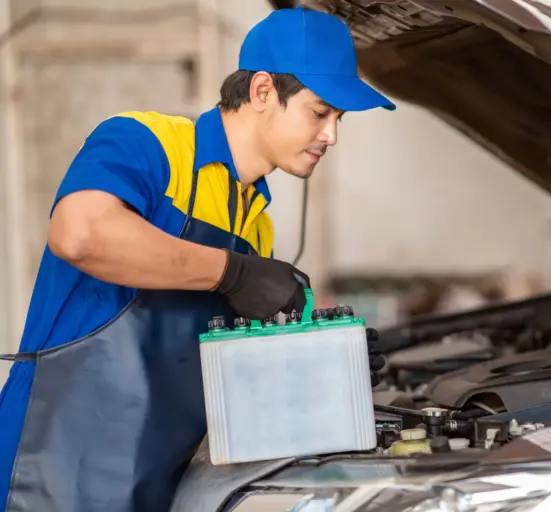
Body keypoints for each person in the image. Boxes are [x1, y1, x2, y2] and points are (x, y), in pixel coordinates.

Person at [0, 7, 393, 512]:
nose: (331, 136)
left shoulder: (256, 223)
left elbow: (227, 385)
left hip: (153, 488)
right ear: (262, 92)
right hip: (50, 478)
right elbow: (80, 233)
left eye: (340, 120)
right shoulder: (148, 144)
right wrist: (232, 273)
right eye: (320, 113)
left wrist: (327, 368)